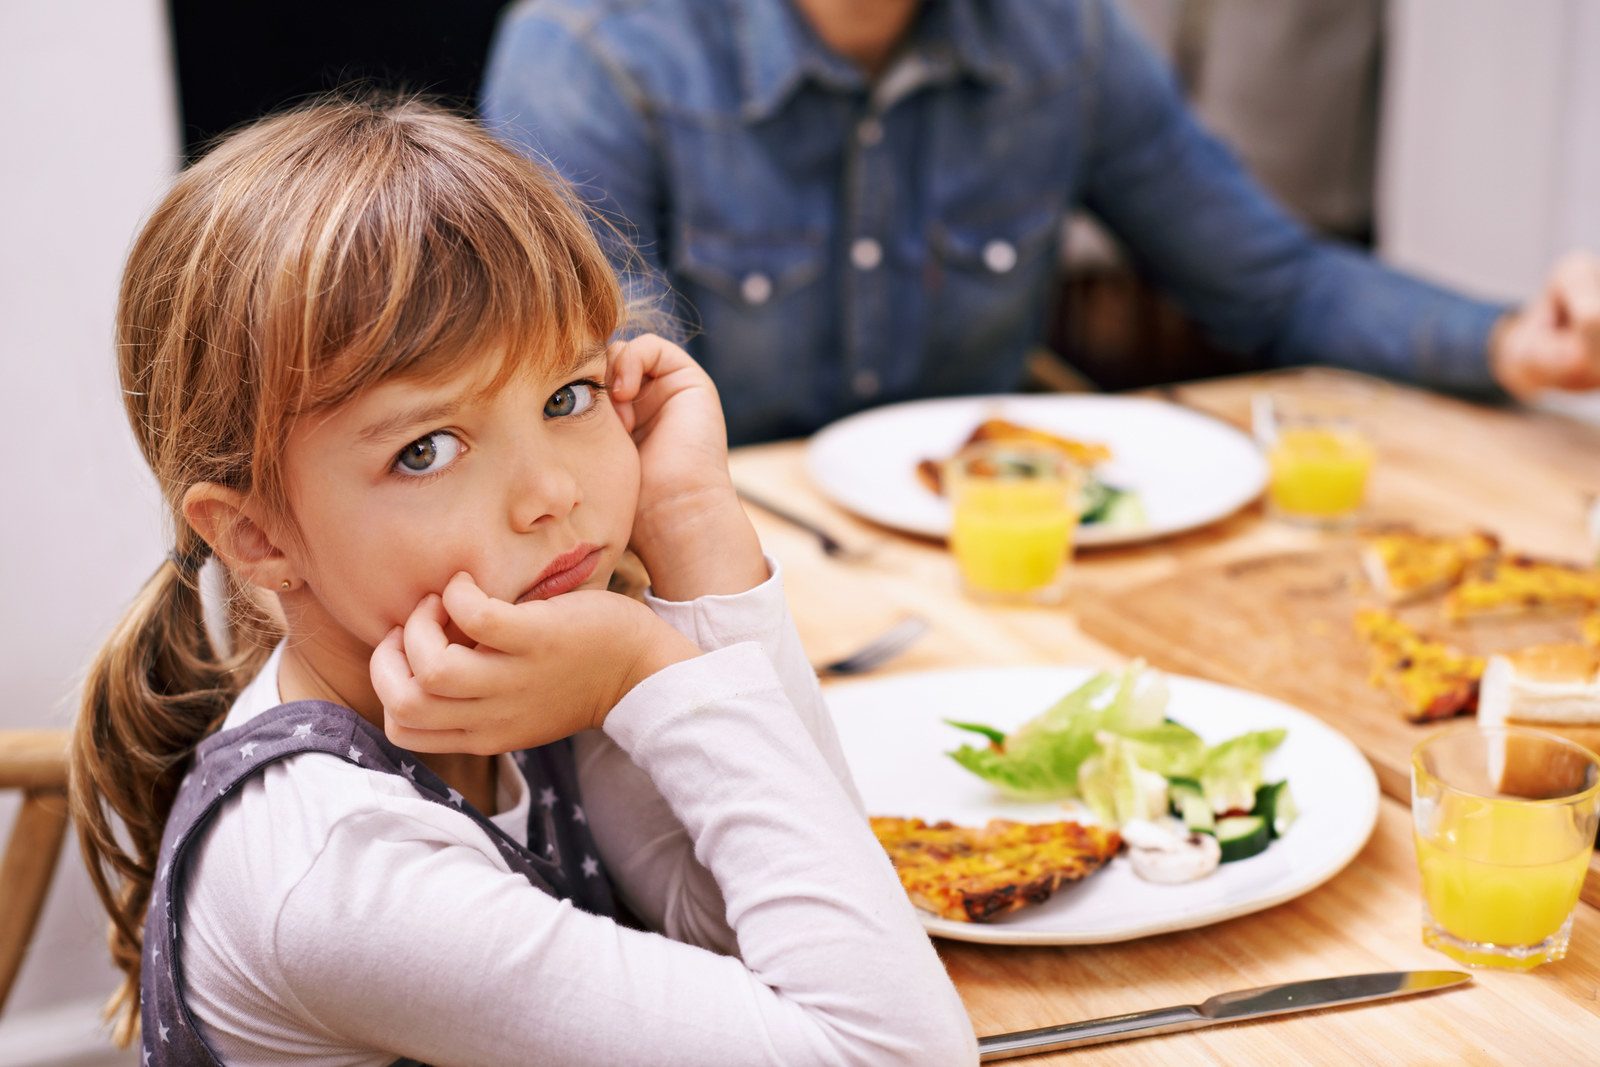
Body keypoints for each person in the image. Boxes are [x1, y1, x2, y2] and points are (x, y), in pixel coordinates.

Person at [67, 96, 976, 1066]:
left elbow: (787, 925)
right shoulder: (339, 871)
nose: (549, 492)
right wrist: (642, 668)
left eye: (566, 395)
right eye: (427, 448)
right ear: (255, 536)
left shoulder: (531, 671)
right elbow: (896, 1048)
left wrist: (693, 529)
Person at [481, 0, 1600, 445]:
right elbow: (588, 418)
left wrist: (1513, 341)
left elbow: (1272, 283)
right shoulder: (592, 50)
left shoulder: (1059, 37)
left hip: (1004, 559)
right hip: (718, 589)